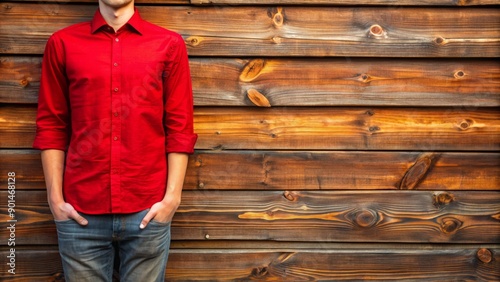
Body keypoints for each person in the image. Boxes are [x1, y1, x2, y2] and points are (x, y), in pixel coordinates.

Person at [33, 0, 197, 280]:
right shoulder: (62, 44)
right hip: (80, 212)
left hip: (148, 210)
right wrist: (55, 199)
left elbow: (180, 127)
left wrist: (172, 198)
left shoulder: (168, 44)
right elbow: (51, 125)